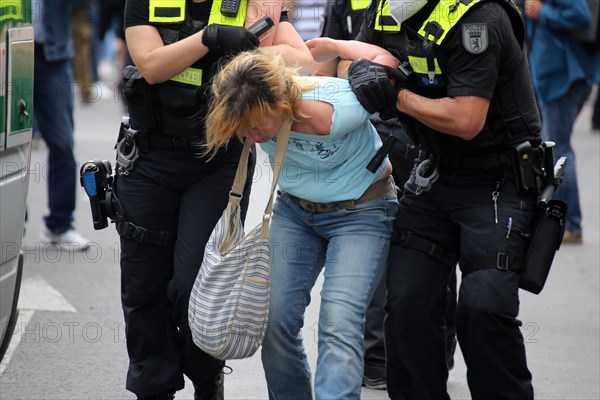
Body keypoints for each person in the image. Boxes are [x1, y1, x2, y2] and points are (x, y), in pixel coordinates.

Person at [332, 0, 545, 398]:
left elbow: (466, 120)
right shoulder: (387, 7)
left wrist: (395, 96)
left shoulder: (478, 16)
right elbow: (347, 62)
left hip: (498, 178)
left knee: (484, 309)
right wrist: (360, 72)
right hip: (434, 173)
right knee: (409, 306)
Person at [117, 1, 313, 399]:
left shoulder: (252, 3)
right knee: (144, 289)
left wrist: (251, 53)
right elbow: (152, 66)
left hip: (217, 162)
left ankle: (206, 377)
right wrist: (208, 39)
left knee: (197, 282)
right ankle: (152, 388)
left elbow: (301, 61)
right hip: (150, 159)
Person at [204, 50, 399, 399]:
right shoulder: (251, 119)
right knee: (274, 322)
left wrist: (338, 46)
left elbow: (388, 64)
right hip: (296, 213)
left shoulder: (338, 108)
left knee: (338, 325)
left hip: (363, 212)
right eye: (243, 127)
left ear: (279, 103)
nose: (251, 135)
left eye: (256, 125)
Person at [524, 0, 600, 243]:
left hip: (563, 76)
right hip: (556, 73)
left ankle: (571, 224)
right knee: (557, 146)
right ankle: (568, 224)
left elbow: (580, 16)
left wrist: (541, 12)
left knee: (559, 149)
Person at [34, 0, 90, 251]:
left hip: (52, 56)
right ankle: (11, 223)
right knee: (8, 145)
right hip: (8, 51)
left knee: (63, 141)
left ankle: (61, 224)